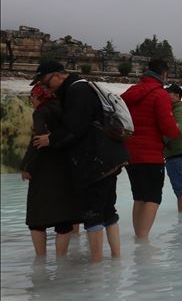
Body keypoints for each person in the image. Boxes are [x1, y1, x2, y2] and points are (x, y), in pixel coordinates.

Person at [30, 61, 127, 263]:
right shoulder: (80, 87)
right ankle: (116, 260)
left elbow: (75, 128)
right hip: (109, 157)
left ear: (59, 75)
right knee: (108, 210)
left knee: (93, 213)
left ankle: (96, 265)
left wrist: (51, 139)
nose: (46, 87)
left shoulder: (76, 91)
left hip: (96, 161)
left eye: (46, 82)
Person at [121, 58, 180, 239]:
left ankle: (138, 236)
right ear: (164, 73)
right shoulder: (160, 94)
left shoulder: (131, 91)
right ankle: (143, 238)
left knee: (139, 196)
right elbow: (168, 128)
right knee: (153, 197)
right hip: (151, 154)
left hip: (130, 154)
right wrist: (176, 130)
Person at [20, 84, 80, 256]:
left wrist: (27, 166)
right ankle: (61, 261)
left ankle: (40, 262)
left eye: (32, 97)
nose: (31, 101)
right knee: (64, 220)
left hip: (44, 169)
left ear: (40, 97)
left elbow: (38, 141)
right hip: (66, 168)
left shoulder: (41, 112)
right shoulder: (64, 109)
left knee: (37, 220)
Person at [163, 83, 182, 213]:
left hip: (178, 156)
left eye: (168, 93)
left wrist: (163, 139)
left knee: (181, 191)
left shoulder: (178, 111)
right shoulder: (179, 109)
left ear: (176, 95)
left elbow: (178, 130)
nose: (165, 95)